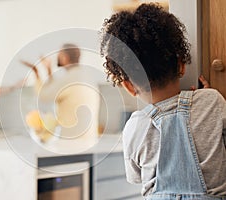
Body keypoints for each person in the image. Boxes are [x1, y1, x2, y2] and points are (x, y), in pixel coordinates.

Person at [100, 3, 226, 199]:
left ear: (128, 86)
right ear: (181, 65)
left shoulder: (134, 127)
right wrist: (207, 98)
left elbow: (136, 177)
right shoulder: (212, 101)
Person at [21, 43, 100, 143]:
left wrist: (35, 72)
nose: (56, 57)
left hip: (72, 140)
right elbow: (55, 90)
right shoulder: (84, 75)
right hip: (89, 138)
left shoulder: (70, 78)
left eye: (59, 54)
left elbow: (44, 95)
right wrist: (49, 70)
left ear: (65, 57)